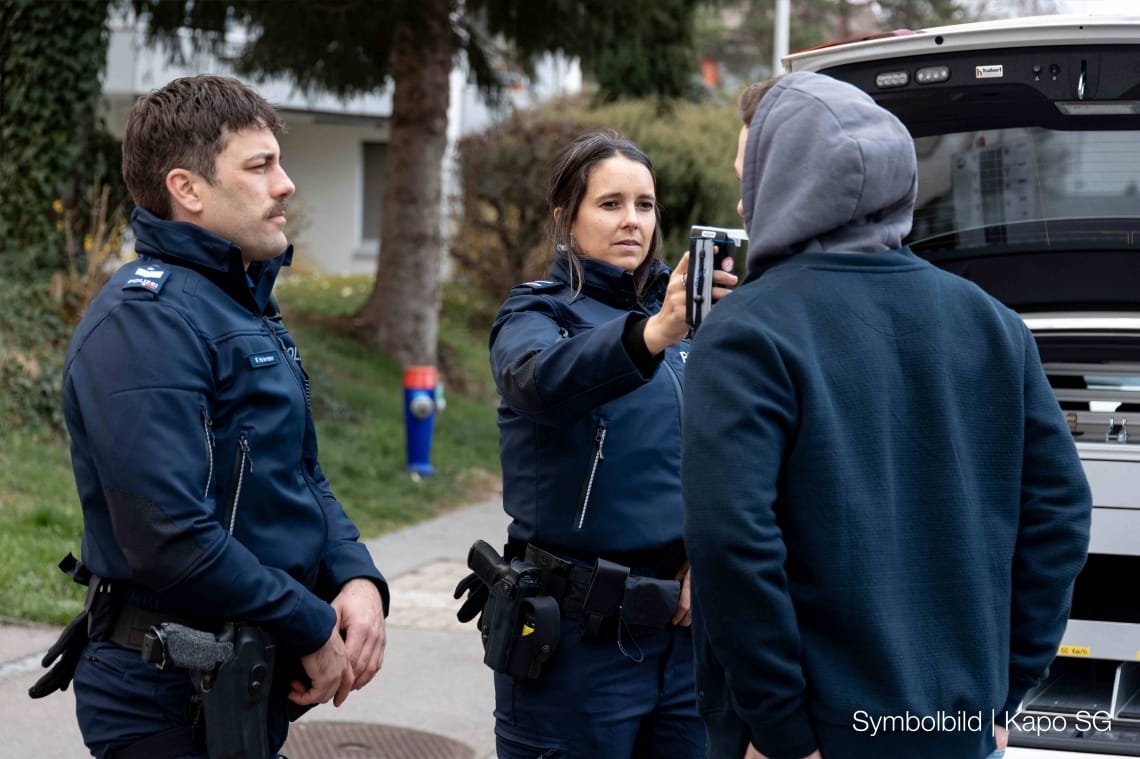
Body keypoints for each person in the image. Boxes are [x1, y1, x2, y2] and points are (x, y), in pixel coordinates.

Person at [681, 72, 1092, 759]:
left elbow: (731, 542)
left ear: (789, 180)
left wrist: (781, 730)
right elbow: (1060, 515)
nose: (742, 198)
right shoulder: (992, 324)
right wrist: (1004, 693)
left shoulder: (748, 331)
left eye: (749, 176)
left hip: (819, 737)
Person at [32, 74, 389, 759]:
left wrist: (356, 576)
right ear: (187, 189)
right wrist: (309, 621)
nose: (285, 184)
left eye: (278, 162)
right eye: (259, 166)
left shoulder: (240, 306)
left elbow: (300, 472)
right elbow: (167, 534)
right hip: (165, 693)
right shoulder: (147, 321)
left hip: (238, 682)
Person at [483, 130, 736, 758]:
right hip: (572, 645)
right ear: (565, 219)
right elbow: (538, 382)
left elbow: (732, 451)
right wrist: (649, 335)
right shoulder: (534, 317)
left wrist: (706, 553)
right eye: (611, 204)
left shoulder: (686, 326)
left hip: (684, 640)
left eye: (645, 205)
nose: (633, 222)